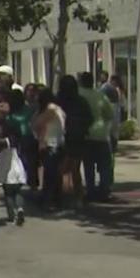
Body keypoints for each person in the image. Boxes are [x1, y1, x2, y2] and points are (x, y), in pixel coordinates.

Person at [79, 72, 116, 202]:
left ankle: (90, 190)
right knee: (104, 165)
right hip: (101, 134)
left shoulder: (79, 94)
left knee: (88, 166)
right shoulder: (100, 95)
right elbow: (110, 114)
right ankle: (104, 191)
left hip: (85, 134)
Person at [56, 75, 91, 209]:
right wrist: (83, 128)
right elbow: (89, 118)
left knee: (62, 168)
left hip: (63, 137)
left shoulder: (58, 101)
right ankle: (78, 197)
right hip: (78, 137)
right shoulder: (81, 101)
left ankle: (64, 196)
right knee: (75, 169)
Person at [0, 89, 29, 226]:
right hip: (20, 156)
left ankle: (12, 215)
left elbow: (3, 139)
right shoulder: (26, 112)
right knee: (18, 189)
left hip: (7, 157)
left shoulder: (8, 119)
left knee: (8, 191)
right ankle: (21, 208)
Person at [32, 87, 65, 210]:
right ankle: (56, 199)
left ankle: (48, 200)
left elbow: (37, 123)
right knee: (55, 174)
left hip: (50, 144)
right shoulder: (58, 109)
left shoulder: (50, 110)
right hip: (57, 143)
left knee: (50, 175)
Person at [21, 83, 41, 191]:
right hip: (26, 135)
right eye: (28, 90)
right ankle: (31, 181)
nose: (31, 93)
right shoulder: (23, 106)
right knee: (28, 160)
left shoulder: (39, 106)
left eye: (33, 90)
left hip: (37, 136)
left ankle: (34, 183)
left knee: (34, 161)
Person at [99, 71, 122, 153]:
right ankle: (112, 149)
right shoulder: (110, 88)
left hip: (111, 113)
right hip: (113, 113)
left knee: (111, 132)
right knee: (113, 133)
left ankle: (110, 149)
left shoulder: (106, 88)